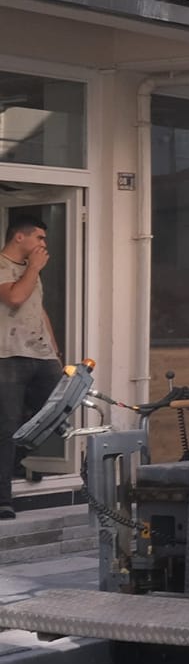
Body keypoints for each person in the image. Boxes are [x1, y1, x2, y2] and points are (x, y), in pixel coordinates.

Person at [0, 216, 61, 521]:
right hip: (8, 355)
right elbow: (14, 297)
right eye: (39, 238)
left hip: (40, 354)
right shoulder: (3, 265)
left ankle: (16, 459)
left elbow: (37, 307)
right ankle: (3, 499)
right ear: (19, 238)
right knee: (6, 426)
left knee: (55, 411)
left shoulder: (30, 271)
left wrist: (54, 348)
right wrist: (34, 268)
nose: (43, 245)